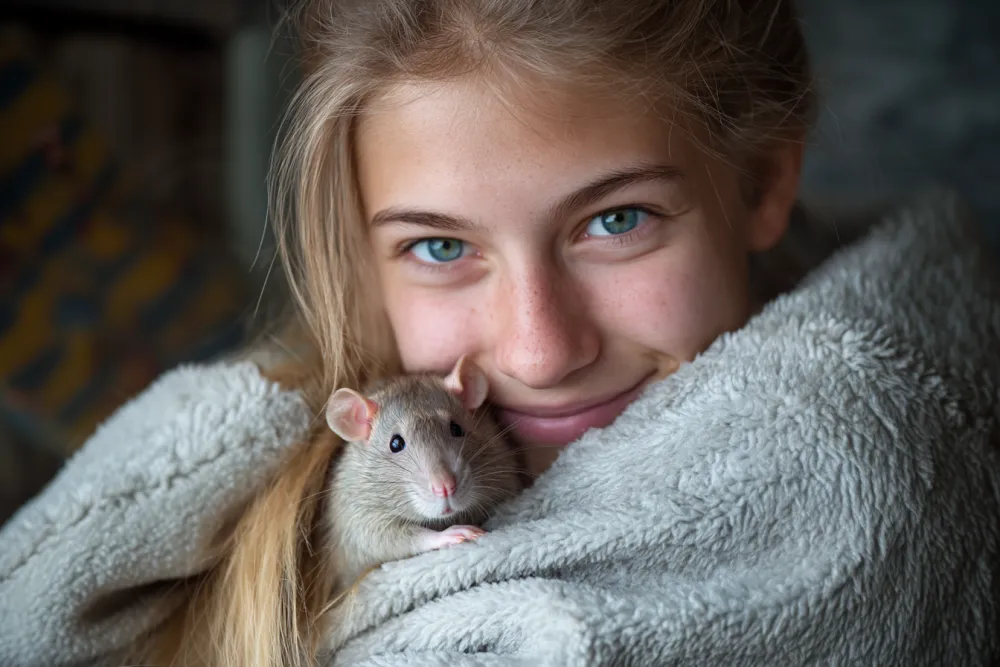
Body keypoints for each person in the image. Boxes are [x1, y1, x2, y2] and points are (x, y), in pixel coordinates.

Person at [3, 0, 1000, 666]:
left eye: (617, 220)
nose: (537, 353)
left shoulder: (879, 485)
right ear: (362, 253)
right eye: (440, 246)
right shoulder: (280, 478)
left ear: (763, 181)